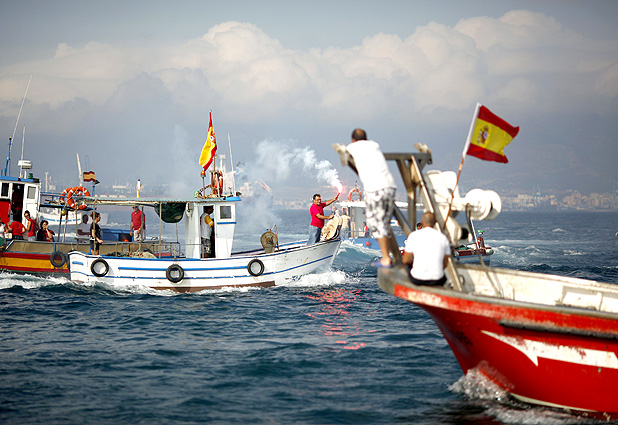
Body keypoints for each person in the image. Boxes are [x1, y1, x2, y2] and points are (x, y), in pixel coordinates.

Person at [346, 128, 397, 267]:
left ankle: (386, 258)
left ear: (353, 140)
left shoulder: (353, 147)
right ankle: (393, 255)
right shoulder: (375, 145)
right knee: (385, 222)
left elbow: (346, 154)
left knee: (375, 223)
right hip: (390, 186)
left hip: (375, 188)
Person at [402, 212, 451, 286]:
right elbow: (445, 263)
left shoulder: (413, 235)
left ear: (422, 222)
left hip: (417, 279)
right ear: (435, 222)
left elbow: (405, 260)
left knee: (408, 266)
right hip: (437, 280)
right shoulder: (443, 237)